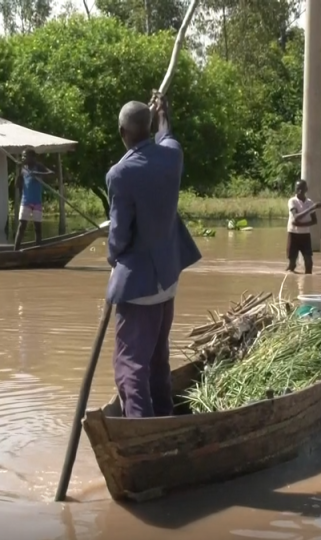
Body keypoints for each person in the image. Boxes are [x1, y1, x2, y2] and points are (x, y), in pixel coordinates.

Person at [105, 92, 202, 419]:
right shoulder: (171, 158)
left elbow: (119, 235)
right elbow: (169, 138)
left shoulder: (120, 174)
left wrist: (112, 258)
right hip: (168, 281)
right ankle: (164, 418)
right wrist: (164, 116)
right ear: (148, 127)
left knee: (130, 365)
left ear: (122, 133)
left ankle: (142, 432)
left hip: (140, 286)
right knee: (158, 358)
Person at [13, 149, 54, 250]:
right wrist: (18, 173)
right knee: (21, 226)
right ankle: (15, 250)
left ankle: (37, 249)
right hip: (25, 201)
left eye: (25, 156)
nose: (23, 158)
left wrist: (38, 174)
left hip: (37, 202)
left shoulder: (38, 166)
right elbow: (17, 185)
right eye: (22, 156)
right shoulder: (23, 169)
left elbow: (51, 173)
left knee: (37, 227)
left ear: (32, 157)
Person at [286, 180, 321, 274]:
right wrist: (312, 208)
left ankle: (308, 283)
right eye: (298, 189)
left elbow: (314, 221)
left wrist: (301, 225)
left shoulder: (309, 202)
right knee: (292, 264)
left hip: (305, 235)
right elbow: (296, 217)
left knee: (309, 263)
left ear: (306, 189)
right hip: (293, 234)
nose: (300, 191)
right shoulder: (292, 201)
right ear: (295, 190)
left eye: (302, 188)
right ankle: (290, 283)